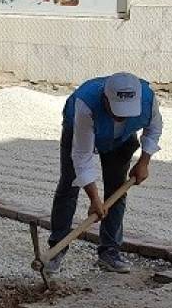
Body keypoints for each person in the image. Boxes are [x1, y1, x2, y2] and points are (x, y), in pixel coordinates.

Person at [47, 72, 162, 274]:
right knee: (69, 185)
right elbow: (82, 156)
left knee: (117, 189)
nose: (122, 116)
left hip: (121, 140)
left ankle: (109, 251)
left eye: (127, 112)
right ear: (105, 99)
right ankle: (57, 248)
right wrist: (94, 199)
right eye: (117, 110)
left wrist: (144, 162)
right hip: (77, 130)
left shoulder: (148, 99)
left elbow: (154, 129)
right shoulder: (85, 104)